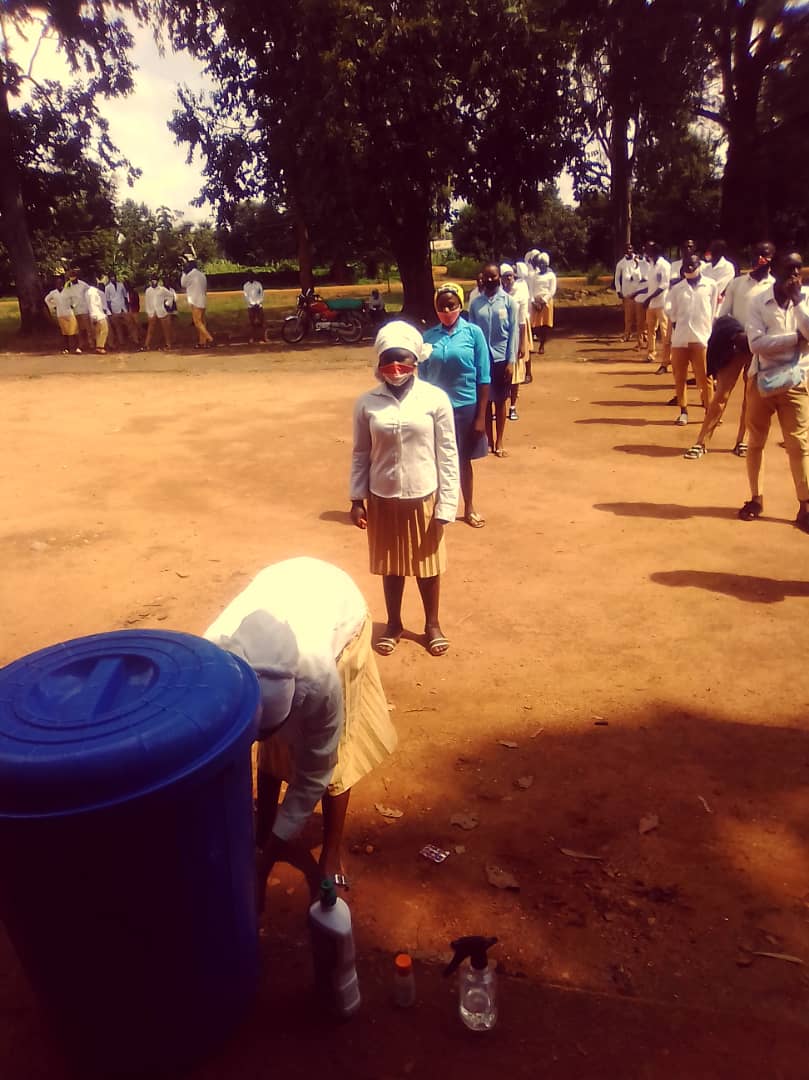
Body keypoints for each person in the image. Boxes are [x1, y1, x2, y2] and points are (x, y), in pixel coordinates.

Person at [204, 557, 398, 903]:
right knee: (273, 751)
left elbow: (316, 771)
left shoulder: (320, 678)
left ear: (297, 696)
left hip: (337, 604)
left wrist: (261, 870)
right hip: (284, 584)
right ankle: (264, 833)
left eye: (274, 724)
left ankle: (330, 853)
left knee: (337, 759)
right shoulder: (215, 658)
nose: (262, 737)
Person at [350, 320, 459, 657]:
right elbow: (360, 452)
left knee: (427, 566)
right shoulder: (367, 403)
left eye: (402, 362)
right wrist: (357, 498)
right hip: (383, 496)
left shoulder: (434, 399)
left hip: (423, 494)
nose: (395, 370)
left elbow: (448, 452)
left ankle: (432, 624)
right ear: (379, 364)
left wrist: (447, 504)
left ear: (415, 362)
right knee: (391, 565)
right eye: (388, 362)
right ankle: (394, 623)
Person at [683, 242, 775, 460]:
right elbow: (723, 314)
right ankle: (702, 441)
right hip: (736, 346)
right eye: (757, 253)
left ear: (773, 258)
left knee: (750, 398)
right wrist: (736, 335)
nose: (760, 258)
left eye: (765, 255)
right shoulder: (737, 284)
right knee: (721, 394)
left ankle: (742, 441)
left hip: (759, 349)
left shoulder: (774, 287)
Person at [738, 252, 809, 529]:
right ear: (775, 271)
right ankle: (756, 498)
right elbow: (756, 345)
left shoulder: (806, 299)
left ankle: (804, 506)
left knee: (799, 444)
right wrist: (796, 339)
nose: (794, 275)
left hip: (796, 381)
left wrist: (799, 302)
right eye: (788, 269)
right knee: (755, 441)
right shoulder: (758, 301)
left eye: (798, 269)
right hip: (761, 382)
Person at [421, 283, 490, 528]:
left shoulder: (473, 334)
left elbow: (484, 376)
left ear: (460, 305)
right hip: (435, 409)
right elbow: (421, 376)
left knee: (462, 460)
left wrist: (481, 417)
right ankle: (439, 507)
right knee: (434, 459)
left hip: (465, 407)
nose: (446, 310)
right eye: (441, 306)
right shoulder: (428, 338)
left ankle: (469, 506)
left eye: (451, 305)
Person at [469, 263, 519, 456]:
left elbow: (514, 331)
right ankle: (488, 441)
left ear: (500, 277)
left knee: (500, 401)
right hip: (482, 360)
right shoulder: (475, 304)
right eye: (487, 277)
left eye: (494, 276)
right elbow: (471, 333)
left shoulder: (508, 302)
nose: (490, 280)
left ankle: (499, 442)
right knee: (485, 401)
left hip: (501, 359)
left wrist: (511, 360)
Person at [667, 253, 718, 426]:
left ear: (700, 265)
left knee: (705, 377)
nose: (690, 268)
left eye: (693, 265)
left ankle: (709, 411)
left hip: (702, 337)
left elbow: (713, 311)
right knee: (679, 377)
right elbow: (672, 313)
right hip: (680, 339)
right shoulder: (677, 289)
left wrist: (707, 331)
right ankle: (683, 410)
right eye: (687, 265)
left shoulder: (710, 285)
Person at [500, 263, 530, 421]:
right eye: (505, 276)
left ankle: (512, 406)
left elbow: (522, 321)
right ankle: (500, 405)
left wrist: (522, 344)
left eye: (510, 276)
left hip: (516, 336)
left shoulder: (520, 294)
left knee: (516, 375)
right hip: (500, 340)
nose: (508, 279)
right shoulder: (496, 295)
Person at [641, 241, 670, 365]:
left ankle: (667, 357)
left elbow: (664, 285)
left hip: (662, 303)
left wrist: (648, 298)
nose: (647, 252)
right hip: (651, 304)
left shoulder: (664, 265)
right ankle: (651, 353)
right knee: (651, 329)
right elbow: (650, 285)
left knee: (664, 332)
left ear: (655, 251)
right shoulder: (651, 265)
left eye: (649, 250)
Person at [180, 254, 214, 347]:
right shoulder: (202, 275)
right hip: (203, 300)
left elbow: (182, 283)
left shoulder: (190, 275)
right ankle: (202, 342)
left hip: (195, 301)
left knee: (197, 322)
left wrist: (183, 272)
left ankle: (210, 338)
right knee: (202, 322)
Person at [614, 243, 643, 342]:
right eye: (627, 249)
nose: (629, 250)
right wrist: (618, 290)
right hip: (627, 293)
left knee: (640, 318)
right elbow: (617, 278)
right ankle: (627, 334)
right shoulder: (620, 263)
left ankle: (642, 337)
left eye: (630, 248)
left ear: (633, 249)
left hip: (639, 293)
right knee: (628, 317)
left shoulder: (639, 260)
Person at [44, 272, 80, 353]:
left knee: (74, 330)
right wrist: (53, 306)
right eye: (57, 283)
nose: (59, 284)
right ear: (55, 284)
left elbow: (76, 298)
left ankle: (77, 347)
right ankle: (66, 348)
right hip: (60, 314)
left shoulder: (68, 291)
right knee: (65, 332)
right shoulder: (53, 293)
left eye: (60, 283)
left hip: (69, 313)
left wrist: (73, 305)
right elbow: (46, 299)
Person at [530, 251, 557, 355]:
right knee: (535, 325)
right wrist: (533, 301)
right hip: (536, 302)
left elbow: (552, 290)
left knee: (544, 325)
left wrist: (543, 301)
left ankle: (542, 345)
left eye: (543, 263)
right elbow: (531, 289)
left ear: (547, 264)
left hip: (546, 302)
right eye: (539, 263)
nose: (541, 265)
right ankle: (535, 342)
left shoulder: (551, 276)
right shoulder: (534, 276)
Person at [63, 266, 92, 351]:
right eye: (71, 278)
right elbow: (66, 297)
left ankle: (91, 344)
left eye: (74, 277)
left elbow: (89, 292)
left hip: (84, 309)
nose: (73, 279)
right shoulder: (68, 286)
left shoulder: (83, 284)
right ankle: (81, 345)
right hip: (75, 311)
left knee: (88, 328)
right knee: (79, 330)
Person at [144, 274, 174, 349]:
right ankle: (146, 345)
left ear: (157, 281)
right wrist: (148, 312)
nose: (153, 282)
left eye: (155, 280)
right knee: (150, 329)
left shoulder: (162, 289)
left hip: (161, 311)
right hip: (152, 312)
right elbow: (147, 302)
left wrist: (167, 304)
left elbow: (171, 295)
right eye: (152, 280)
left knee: (165, 329)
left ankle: (168, 344)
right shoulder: (148, 291)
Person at [105, 272, 134, 348]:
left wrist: (127, 307)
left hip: (123, 308)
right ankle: (121, 342)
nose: (113, 278)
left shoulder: (121, 285)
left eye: (114, 277)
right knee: (118, 327)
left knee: (130, 323)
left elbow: (125, 296)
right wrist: (110, 312)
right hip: (114, 308)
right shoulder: (107, 288)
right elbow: (108, 301)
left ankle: (134, 339)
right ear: (109, 278)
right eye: (111, 277)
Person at [703, 239, 735, 303]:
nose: (712, 252)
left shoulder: (727, 267)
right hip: (704, 300)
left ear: (721, 252)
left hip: (720, 303)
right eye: (711, 249)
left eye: (715, 250)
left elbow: (719, 287)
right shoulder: (706, 267)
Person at [85, 275, 110, 354]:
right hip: (97, 314)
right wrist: (95, 317)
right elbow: (92, 304)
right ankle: (100, 347)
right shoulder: (93, 292)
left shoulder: (88, 292)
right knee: (104, 330)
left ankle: (98, 346)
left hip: (95, 314)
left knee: (98, 331)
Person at [243, 270, 265, 342]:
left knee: (261, 322)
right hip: (250, 306)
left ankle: (263, 337)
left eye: (252, 276)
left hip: (259, 305)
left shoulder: (258, 284)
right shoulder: (246, 285)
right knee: (252, 323)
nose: (251, 277)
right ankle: (252, 338)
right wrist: (252, 303)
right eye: (249, 276)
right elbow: (246, 296)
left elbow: (261, 294)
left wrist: (258, 303)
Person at [123, 278, 142, 347]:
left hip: (134, 310)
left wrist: (135, 309)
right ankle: (135, 339)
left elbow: (137, 302)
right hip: (128, 310)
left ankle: (140, 335)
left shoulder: (134, 293)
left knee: (137, 324)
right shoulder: (124, 293)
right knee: (131, 325)